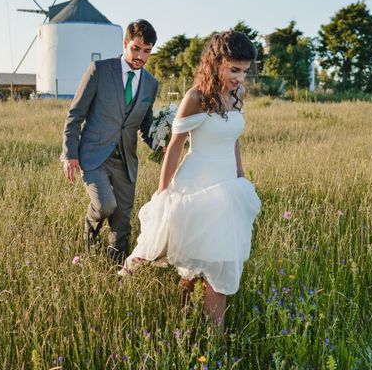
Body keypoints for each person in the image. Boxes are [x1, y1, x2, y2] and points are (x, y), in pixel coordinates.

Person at [123, 30, 261, 329]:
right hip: (196, 185)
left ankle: (215, 341)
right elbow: (175, 147)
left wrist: (240, 175)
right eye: (234, 69)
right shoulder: (196, 98)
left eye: (244, 71)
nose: (240, 78)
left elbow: (234, 139)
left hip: (228, 190)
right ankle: (174, 313)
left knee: (218, 263)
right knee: (167, 249)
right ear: (216, 62)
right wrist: (162, 193)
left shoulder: (238, 95)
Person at [62, 19, 159, 264]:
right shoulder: (99, 70)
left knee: (122, 221)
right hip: (93, 156)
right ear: (126, 43)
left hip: (126, 160)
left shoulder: (151, 84)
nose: (140, 56)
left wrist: (162, 142)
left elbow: (145, 124)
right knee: (106, 205)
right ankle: (88, 236)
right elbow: (75, 115)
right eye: (136, 48)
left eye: (146, 51)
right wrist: (70, 154)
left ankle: (116, 268)